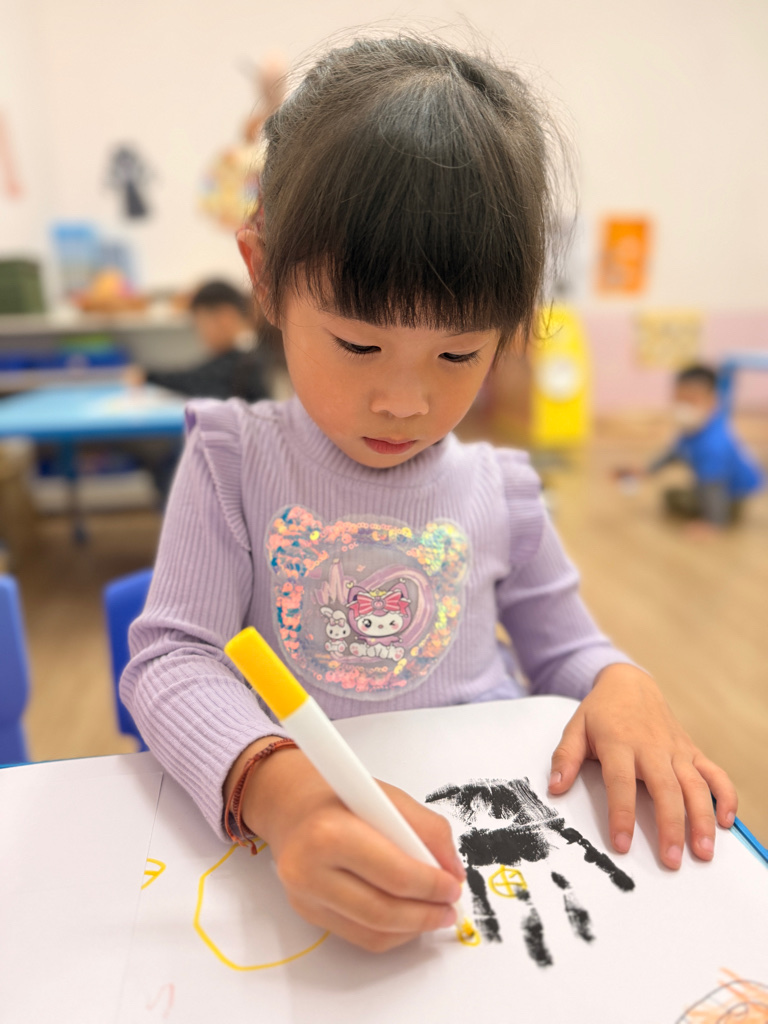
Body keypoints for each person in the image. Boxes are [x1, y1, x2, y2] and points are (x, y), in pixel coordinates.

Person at [122, 36, 737, 954]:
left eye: (458, 354)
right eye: (359, 345)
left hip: (488, 850)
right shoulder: (232, 463)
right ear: (263, 276)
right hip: (295, 864)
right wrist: (283, 794)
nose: (404, 401)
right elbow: (171, 661)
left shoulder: (504, 491)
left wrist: (622, 682)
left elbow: (566, 648)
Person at [648, 363, 764, 528]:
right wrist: (647, 470)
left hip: (730, 499)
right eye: (680, 399)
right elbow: (675, 452)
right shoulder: (693, 429)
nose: (684, 407)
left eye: (692, 401)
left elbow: (713, 485)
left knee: (679, 499)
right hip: (712, 488)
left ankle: (716, 517)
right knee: (673, 495)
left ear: (712, 400)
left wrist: (713, 524)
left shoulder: (713, 444)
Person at [127, 279, 271, 403]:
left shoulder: (246, 360)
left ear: (224, 318)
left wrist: (148, 376)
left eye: (201, 324)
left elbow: (194, 379)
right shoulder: (252, 351)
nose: (201, 334)